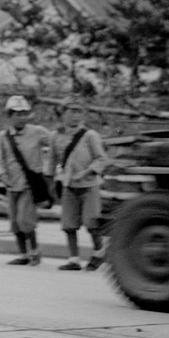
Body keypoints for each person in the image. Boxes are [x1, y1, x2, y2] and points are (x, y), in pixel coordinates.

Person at [0, 94, 55, 266]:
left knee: (25, 221)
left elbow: (56, 143)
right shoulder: (3, 136)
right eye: (17, 114)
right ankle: (23, 254)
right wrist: (2, 174)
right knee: (14, 222)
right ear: (9, 116)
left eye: (24, 113)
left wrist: (51, 166)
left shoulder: (37, 132)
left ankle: (34, 252)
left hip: (29, 185)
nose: (22, 118)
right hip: (12, 184)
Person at [53, 104, 110, 271]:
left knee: (91, 223)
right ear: (63, 113)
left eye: (79, 112)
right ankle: (73, 259)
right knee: (68, 224)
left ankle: (99, 253)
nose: (76, 116)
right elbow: (52, 161)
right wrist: (51, 180)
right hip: (68, 185)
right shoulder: (57, 136)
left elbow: (102, 159)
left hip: (89, 185)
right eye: (72, 111)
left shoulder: (90, 135)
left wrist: (86, 172)